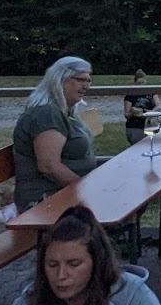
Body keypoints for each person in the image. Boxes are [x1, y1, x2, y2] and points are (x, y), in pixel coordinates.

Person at [3, 205, 161, 305]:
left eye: (73, 264)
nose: (61, 275)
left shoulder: (133, 303)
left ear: (97, 262)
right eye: (52, 265)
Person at [12, 58, 97, 212]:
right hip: (46, 200)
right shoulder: (46, 113)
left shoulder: (64, 112)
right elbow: (48, 166)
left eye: (89, 81)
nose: (86, 86)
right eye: (80, 80)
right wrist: (85, 190)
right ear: (60, 79)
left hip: (65, 193)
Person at [122, 70, 159, 145]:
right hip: (135, 126)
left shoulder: (151, 92)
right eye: (139, 83)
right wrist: (133, 112)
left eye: (143, 82)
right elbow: (126, 114)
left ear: (146, 82)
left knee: (151, 145)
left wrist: (149, 113)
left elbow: (158, 106)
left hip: (150, 124)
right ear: (135, 83)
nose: (141, 85)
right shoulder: (130, 95)